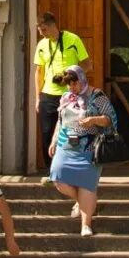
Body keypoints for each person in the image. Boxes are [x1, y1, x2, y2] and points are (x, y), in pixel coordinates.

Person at [47, 64, 119, 236]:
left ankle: (85, 225)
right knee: (57, 177)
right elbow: (60, 121)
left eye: (74, 84)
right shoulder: (66, 97)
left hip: (89, 147)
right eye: (69, 85)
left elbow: (110, 119)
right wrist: (54, 141)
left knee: (87, 186)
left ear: (82, 80)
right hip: (66, 145)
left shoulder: (97, 95)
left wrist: (93, 120)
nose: (72, 88)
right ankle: (80, 201)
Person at [32, 11, 88, 171]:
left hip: (70, 95)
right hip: (48, 95)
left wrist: (71, 76)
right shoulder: (42, 44)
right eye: (39, 30)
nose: (41, 34)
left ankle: (71, 168)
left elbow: (87, 64)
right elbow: (39, 71)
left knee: (72, 132)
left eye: (43, 30)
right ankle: (52, 171)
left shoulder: (72, 39)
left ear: (52, 26)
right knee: (47, 133)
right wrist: (38, 97)